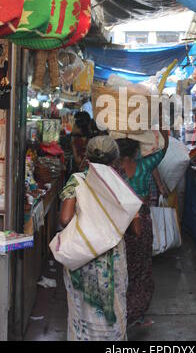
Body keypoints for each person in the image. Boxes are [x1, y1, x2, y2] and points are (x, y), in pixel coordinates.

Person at [59, 135, 128, 341]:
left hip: (84, 253)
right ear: (114, 159)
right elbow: (134, 226)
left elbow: (64, 218)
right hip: (112, 255)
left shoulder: (78, 180)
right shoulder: (120, 184)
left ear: (87, 156)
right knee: (113, 306)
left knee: (83, 308)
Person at [115, 129, 169, 328]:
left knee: (119, 268)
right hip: (141, 223)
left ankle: (118, 314)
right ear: (137, 150)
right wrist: (163, 124)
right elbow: (164, 148)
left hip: (117, 226)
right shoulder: (144, 166)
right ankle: (135, 314)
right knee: (141, 268)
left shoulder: (112, 170)